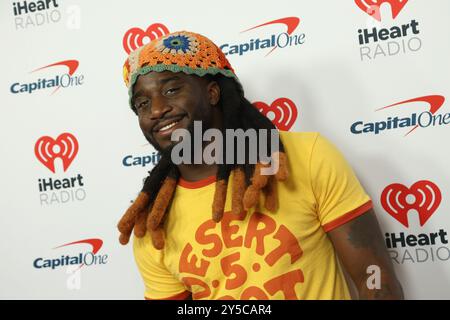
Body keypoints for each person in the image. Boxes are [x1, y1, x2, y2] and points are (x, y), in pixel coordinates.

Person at [118, 31, 403, 300]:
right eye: (142, 104)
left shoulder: (305, 156)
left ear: (213, 93)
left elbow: (374, 279)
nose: (155, 110)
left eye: (171, 90)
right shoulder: (153, 221)